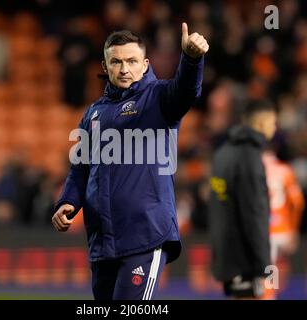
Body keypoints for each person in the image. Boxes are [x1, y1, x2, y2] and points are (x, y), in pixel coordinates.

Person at [52, 23, 209, 300]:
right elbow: (81, 168)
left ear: (145, 63)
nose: (124, 68)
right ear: (105, 65)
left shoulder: (159, 98)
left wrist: (192, 59)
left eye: (131, 61)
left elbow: (186, 91)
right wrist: (68, 201)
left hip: (145, 236)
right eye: (116, 61)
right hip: (103, 242)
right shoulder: (93, 114)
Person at [208, 100, 277, 299]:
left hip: (226, 257)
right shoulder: (250, 157)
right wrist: (264, 268)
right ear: (263, 123)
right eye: (273, 123)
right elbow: (254, 215)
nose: (275, 128)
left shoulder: (223, 153)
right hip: (246, 261)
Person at [262, 148, 305, 299]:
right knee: (278, 264)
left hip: (263, 228)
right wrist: (294, 228)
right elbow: (298, 202)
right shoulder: (285, 169)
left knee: (268, 266)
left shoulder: (253, 169)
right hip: (284, 227)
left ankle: (270, 295)